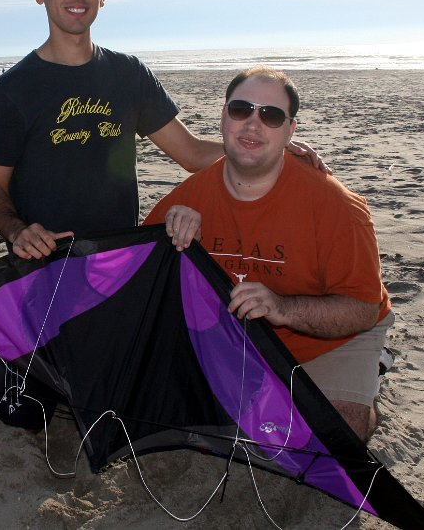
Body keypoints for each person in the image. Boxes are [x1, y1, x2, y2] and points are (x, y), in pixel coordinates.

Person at [0, 0, 325, 430]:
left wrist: (269, 145)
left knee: (115, 400)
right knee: (24, 415)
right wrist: (17, 231)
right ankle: (1, 350)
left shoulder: (127, 75)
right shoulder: (13, 90)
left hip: (115, 266)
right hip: (45, 270)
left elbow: (190, 154)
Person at [144, 66, 393, 441]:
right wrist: (170, 240)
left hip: (331, 334)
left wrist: (282, 308)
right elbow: (140, 283)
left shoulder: (337, 206)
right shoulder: (186, 199)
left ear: (290, 131)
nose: (252, 124)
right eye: (241, 109)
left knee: (337, 436)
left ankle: (372, 369)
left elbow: (362, 309)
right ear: (224, 116)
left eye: (271, 115)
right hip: (239, 337)